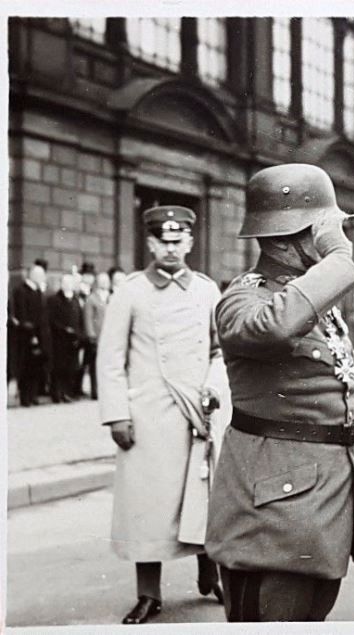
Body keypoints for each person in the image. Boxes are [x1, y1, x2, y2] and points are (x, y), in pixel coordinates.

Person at [206, 163, 354, 622]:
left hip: (325, 500)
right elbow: (272, 328)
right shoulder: (242, 298)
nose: (335, 236)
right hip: (274, 512)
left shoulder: (314, 302)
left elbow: (348, 383)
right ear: (290, 235)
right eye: (323, 228)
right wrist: (336, 261)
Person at [97, 206, 229, 624]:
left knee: (203, 499)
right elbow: (111, 358)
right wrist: (117, 414)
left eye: (178, 241)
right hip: (148, 417)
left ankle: (209, 572)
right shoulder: (131, 292)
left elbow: (219, 350)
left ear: (189, 242)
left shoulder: (207, 291)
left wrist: (213, 387)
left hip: (196, 416)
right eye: (162, 241)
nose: (170, 249)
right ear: (150, 243)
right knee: (147, 507)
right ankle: (148, 594)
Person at [11, 264, 51, 406]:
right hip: (26, 335)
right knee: (25, 367)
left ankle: (33, 395)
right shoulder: (21, 291)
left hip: (39, 335)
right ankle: (25, 397)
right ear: (31, 275)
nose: (41, 277)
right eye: (39, 275)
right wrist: (31, 333)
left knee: (36, 367)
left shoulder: (39, 291)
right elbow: (22, 314)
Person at [47, 273, 84, 403]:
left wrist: (78, 334)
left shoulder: (75, 299)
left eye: (70, 283)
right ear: (61, 284)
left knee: (70, 368)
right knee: (58, 368)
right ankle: (57, 394)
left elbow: (80, 319)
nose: (68, 285)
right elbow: (51, 320)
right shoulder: (54, 299)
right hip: (59, 340)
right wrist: (64, 329)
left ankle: (67, 393)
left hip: (73, 340)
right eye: (65, 283)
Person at [83, 272, 112, 399]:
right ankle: (95, 391)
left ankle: (107, 391)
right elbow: (88, 318)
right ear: (98, 283)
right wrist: (91, 335)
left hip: (110, 336)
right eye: (102, 281)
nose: (104, 283)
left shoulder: (112, 297)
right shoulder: (92, 298)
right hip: (97, 337)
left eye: (106, 281)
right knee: (95, 366)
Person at [75, 262, 97, 398]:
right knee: (79, 361)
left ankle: (80, 387)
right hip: (80, 330)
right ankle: (75, 387)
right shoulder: (78, 291)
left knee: (87, 361)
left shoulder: (93, 292)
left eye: (91, 276)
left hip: (89, 332)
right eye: (86, 275)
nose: (89, 278)